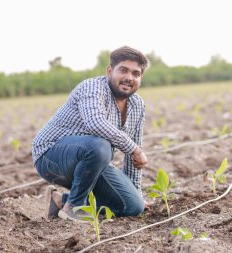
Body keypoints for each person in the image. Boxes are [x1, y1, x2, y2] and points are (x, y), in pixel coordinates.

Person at [32, 46, 149, 222]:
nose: (129, 78)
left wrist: (135, 193)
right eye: (123, 70)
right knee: (100, 146)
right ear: (110, 71)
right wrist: (134, 149)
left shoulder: (137, 105)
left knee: (133, 206)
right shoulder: (92, 87)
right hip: (50, 157)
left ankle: (60, 201)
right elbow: (95, 123)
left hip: (91, 161)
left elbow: (134, 157)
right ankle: (75, 207)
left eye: (136, 73)